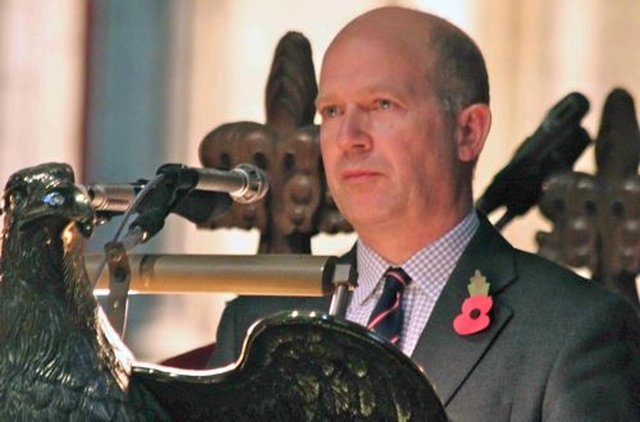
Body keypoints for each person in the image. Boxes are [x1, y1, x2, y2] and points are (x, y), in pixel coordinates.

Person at [208, 6, 640, 420]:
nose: (349, 138)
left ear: (467, 131)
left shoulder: (571, 330)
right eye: (332, 111)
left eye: (382, 105)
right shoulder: (255, 322)